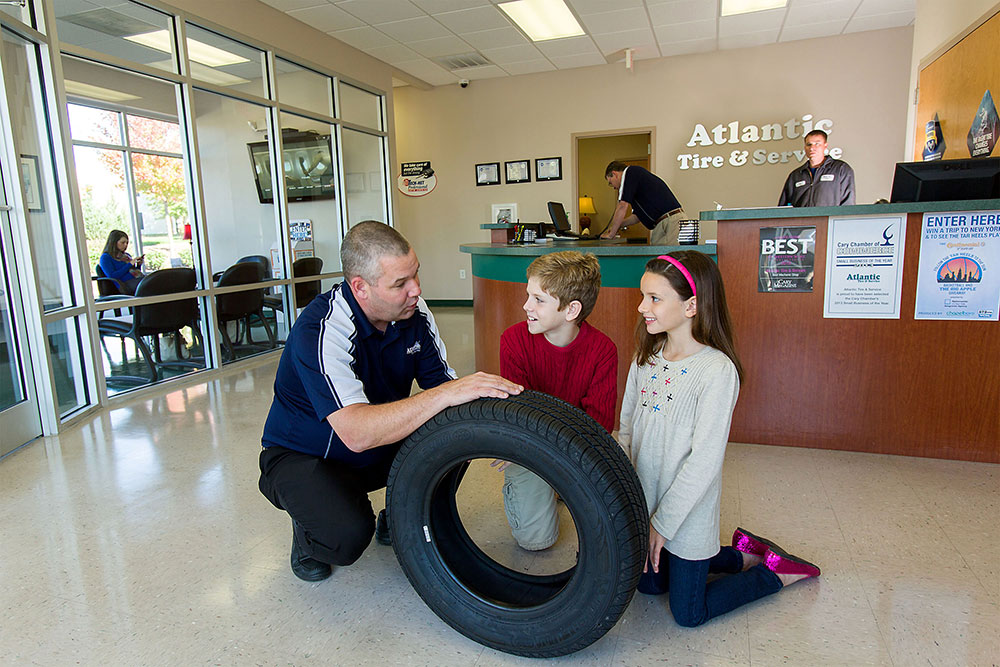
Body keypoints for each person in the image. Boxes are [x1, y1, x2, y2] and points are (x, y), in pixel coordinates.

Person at [258, 220, 522, 582]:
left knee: (453, 439)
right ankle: (308, 528)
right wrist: (446, 394)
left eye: (415, 275)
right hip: (307, 455)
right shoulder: (321, 330)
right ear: (360, 288)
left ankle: (400, 515)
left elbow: (448, 394)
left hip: (376, 442)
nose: (416, 290)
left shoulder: (412, 313)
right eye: (400, 283)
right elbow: (356, 433)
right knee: (346, 537)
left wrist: (506, 436)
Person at [617, 250, 820, 627]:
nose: (641, 306)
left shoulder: (716, 370)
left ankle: (775, 572)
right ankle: (741, 555)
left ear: (692, 305)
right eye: (643, 295)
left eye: (654, 298)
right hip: (646, 504)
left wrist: (663, 525)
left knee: (689, 614)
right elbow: (626, 430)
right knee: (647, 588)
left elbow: (705, 461)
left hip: (687, 514)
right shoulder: (645, 356)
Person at [495, 251, 617, 550]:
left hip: (579, 448)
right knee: (535, 542)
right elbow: (519, 414)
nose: (526, 306)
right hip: (530, 445)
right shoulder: (513, 340)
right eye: (528, 295)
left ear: (572, 309)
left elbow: (599, 425)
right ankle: (549, 487)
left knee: (611, 526)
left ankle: (558, 485)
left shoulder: (603, 351)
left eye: (538, 299)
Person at [600, 161, 684, 244]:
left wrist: (611, 234)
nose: (614, 187)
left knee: (671, 256)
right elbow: (636, 217)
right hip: (662, 223)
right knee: (659, 256)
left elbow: (622, 206)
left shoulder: (630, 173)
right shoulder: (634, 185)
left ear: (615, 174)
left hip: (671, 221)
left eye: (610, 183)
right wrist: (618, 225)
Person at [778, 129, 855, 207]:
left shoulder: (841, 169)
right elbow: (784, 206)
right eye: (809, 144)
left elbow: (848, 202)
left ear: (825, 146)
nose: (812, 148)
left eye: (817, 144)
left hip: (828, 218)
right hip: (802, 219)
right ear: (805, 147)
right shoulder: (796, 175)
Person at [98, 229, 144, 295]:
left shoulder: (126, 256)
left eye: (127, 243)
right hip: (124, 285)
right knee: (149, 284)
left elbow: (133, 272)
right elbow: (112, 275)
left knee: (155, 281)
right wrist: (130, 264)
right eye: (123, 243)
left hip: (135, 280)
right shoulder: (106, 257)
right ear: (114, 242)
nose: (125, 245)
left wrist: (138, 265)